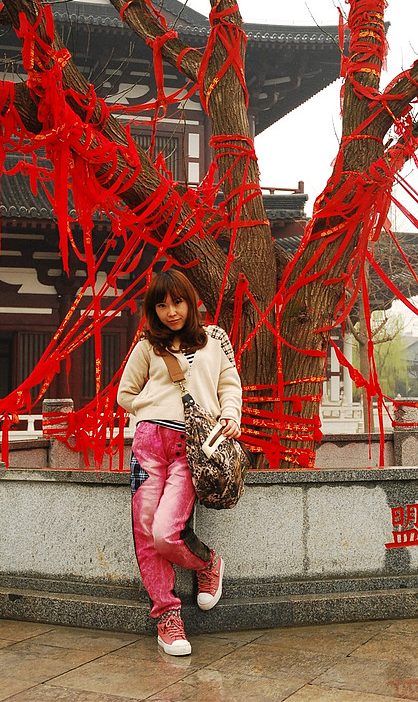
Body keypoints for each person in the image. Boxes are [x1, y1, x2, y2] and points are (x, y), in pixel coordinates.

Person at [117, 269, 242, 656]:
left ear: (190, 301)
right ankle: (167, 617)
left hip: (192, 448)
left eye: (177, 302)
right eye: (162, 305)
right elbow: (125, 394)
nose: (171, 311)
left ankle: (207, 562)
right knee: (145, 533)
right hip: (149, 444)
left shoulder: (213, 341)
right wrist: (151, 407)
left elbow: (229, 385)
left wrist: (230, 415)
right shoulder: (147, 345)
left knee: (166, 532)